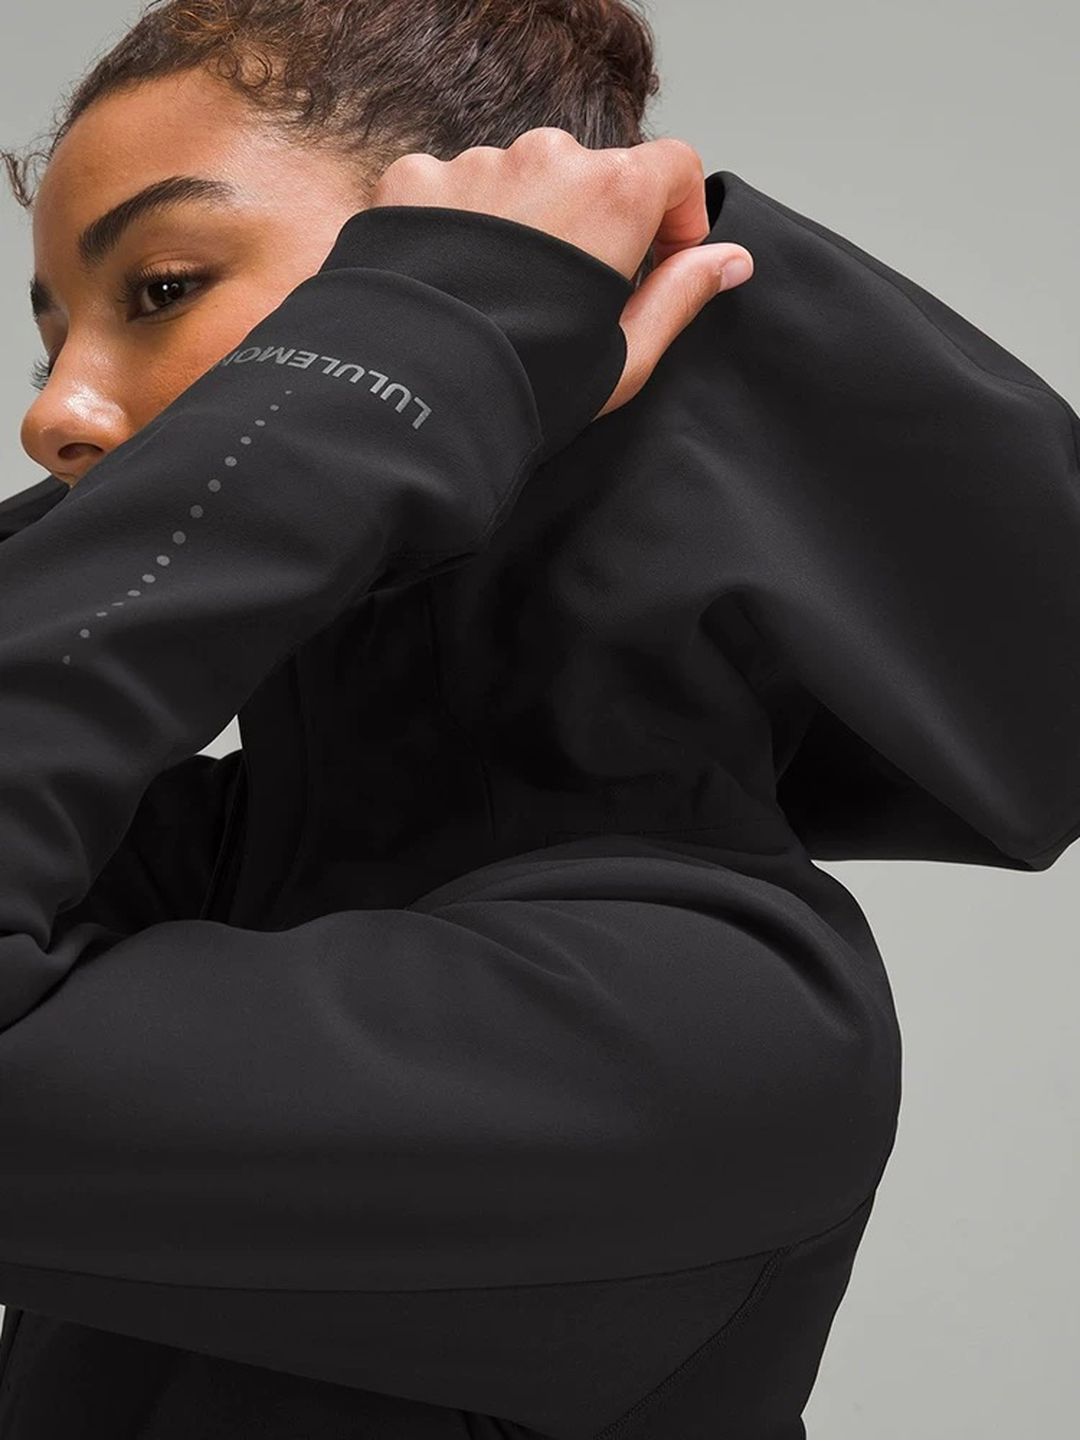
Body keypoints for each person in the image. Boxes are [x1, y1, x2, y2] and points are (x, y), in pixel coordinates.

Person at [0, 0, 1076, 1439]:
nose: (54, 414)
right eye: (49, 347)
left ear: (471, 305)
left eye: (161, 286)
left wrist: (425, 351)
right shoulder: (197, 858)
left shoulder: (705, 1013)